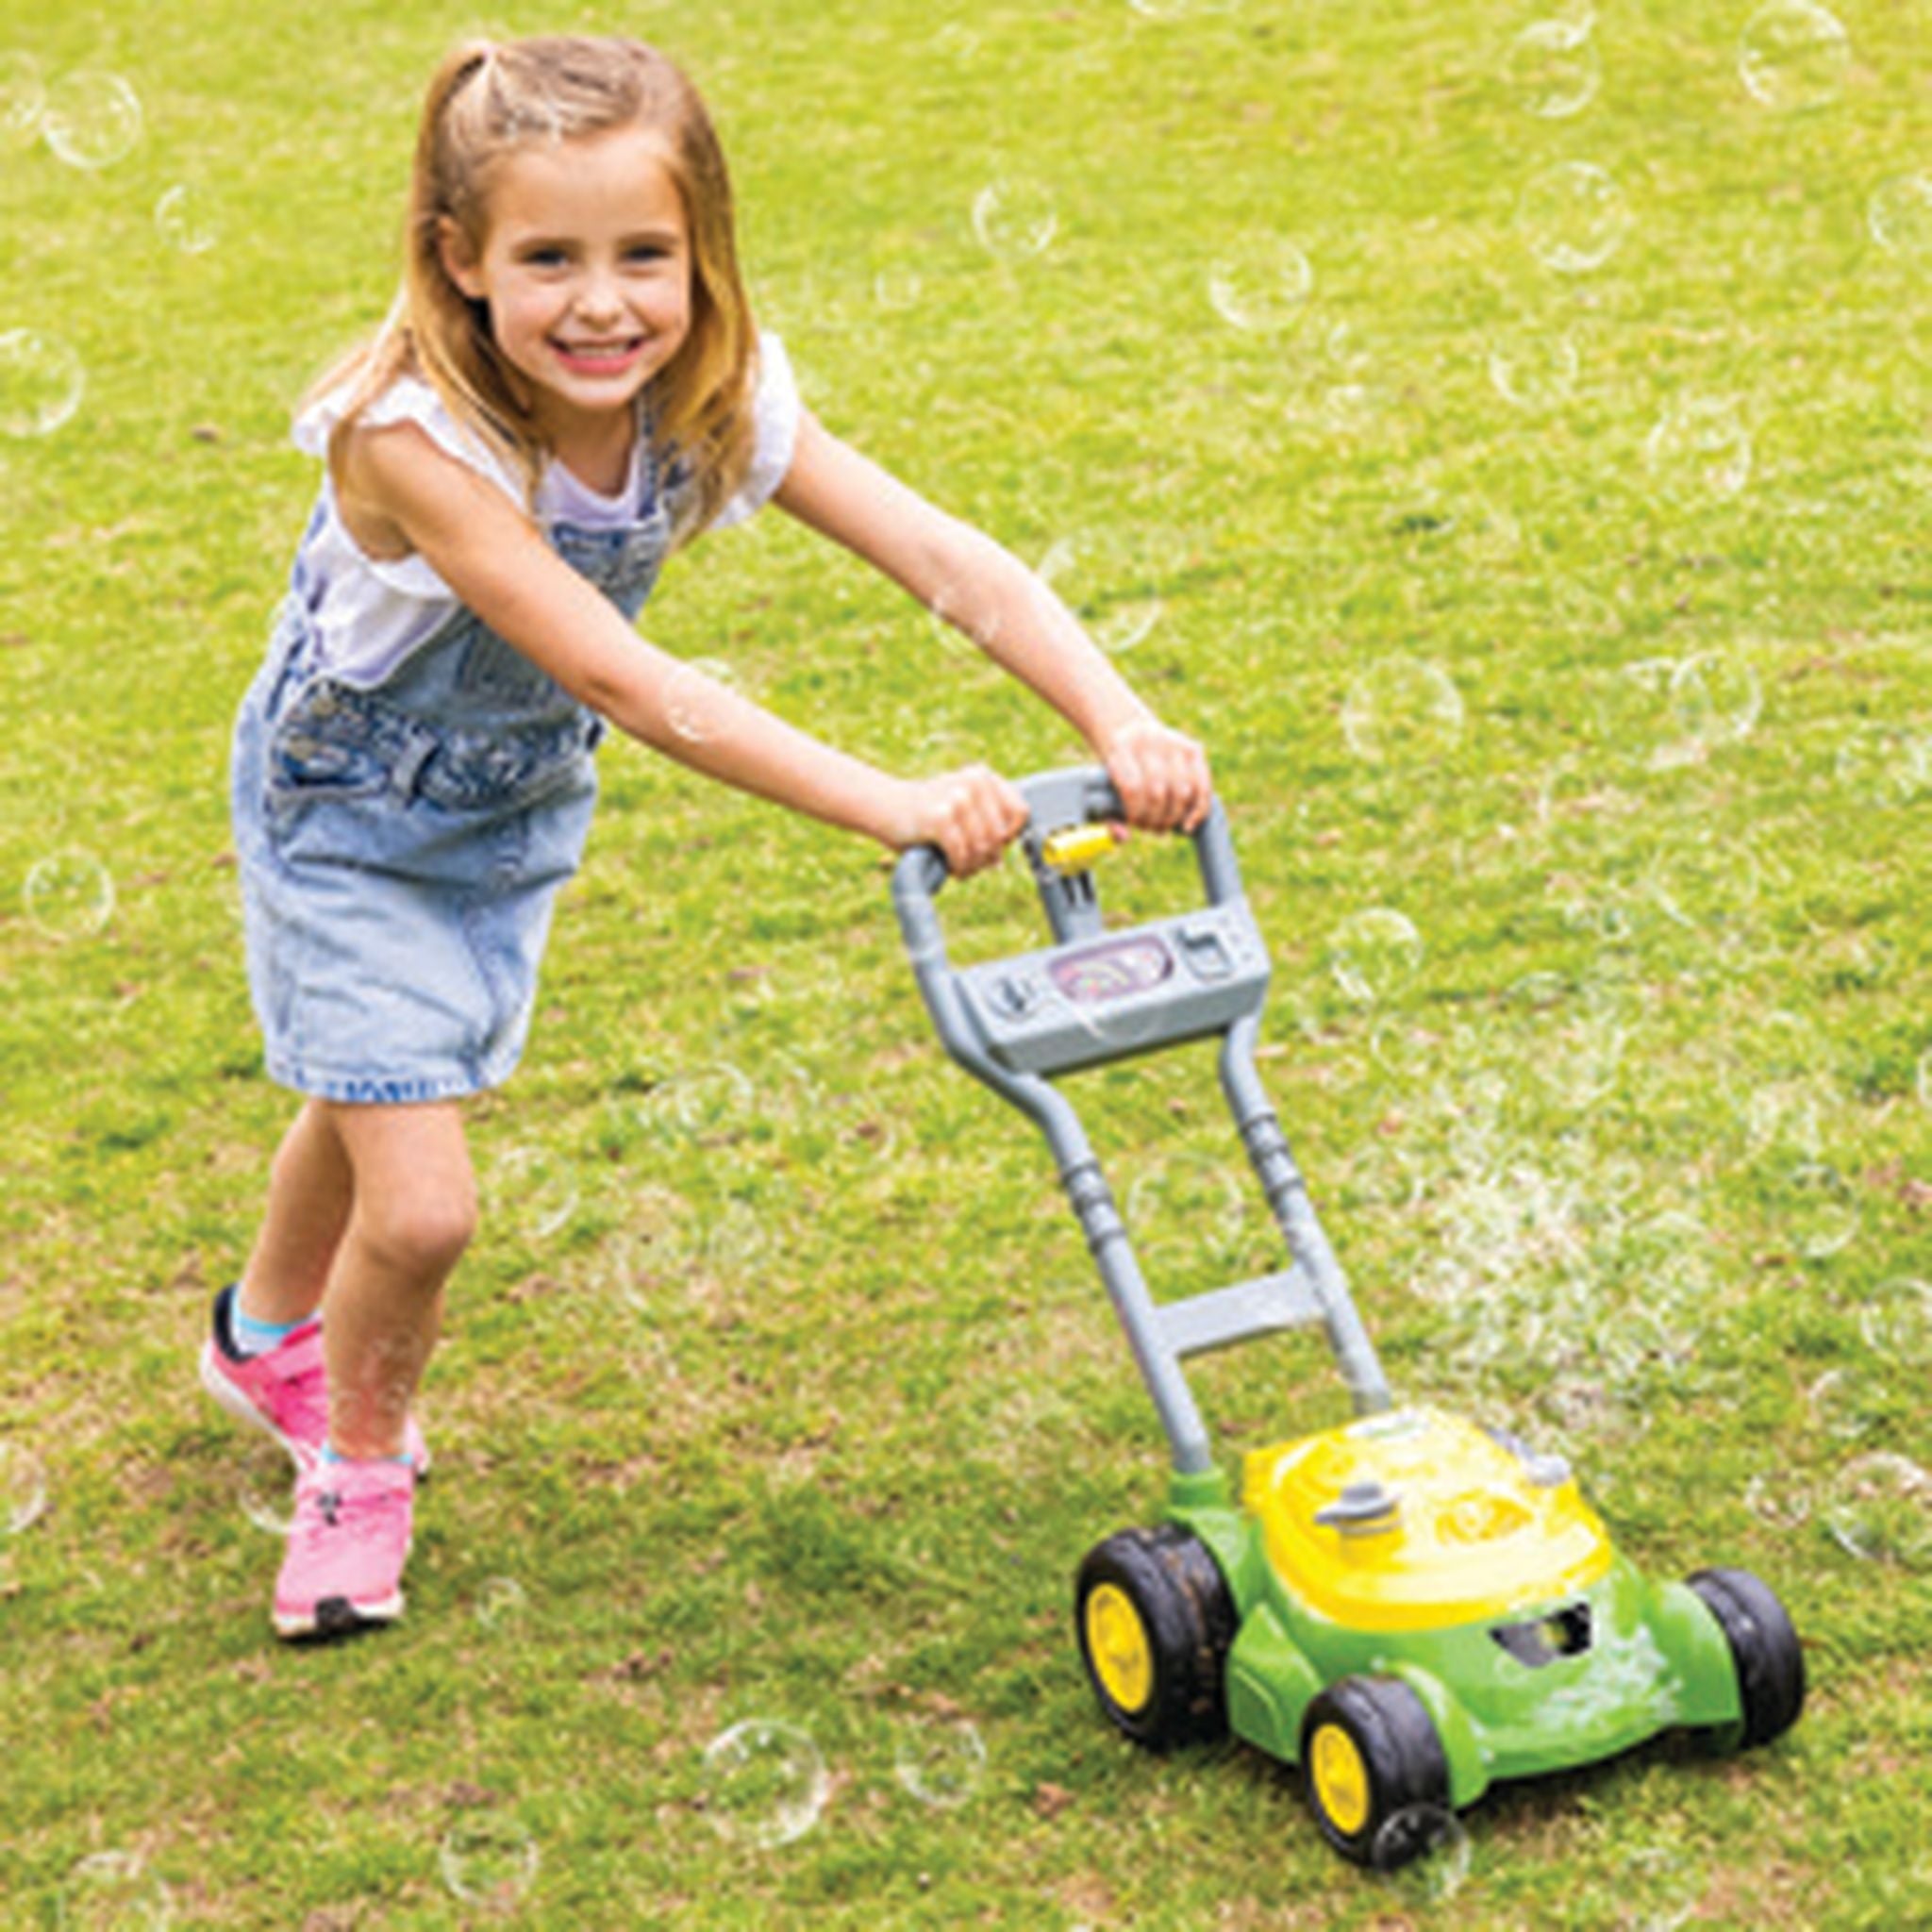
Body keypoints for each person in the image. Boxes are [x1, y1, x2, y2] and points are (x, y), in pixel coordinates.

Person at [203, 33, 1213, 1641]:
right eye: (548, 259)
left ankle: (262, 1334)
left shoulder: (702, 401)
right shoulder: (409, 436)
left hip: (510, 801)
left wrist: (1119, 719)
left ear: (704, 255)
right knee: (424, 1202)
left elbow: (949, 560)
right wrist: (883, 797)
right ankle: (357, 1469)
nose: (601, 305)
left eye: (644, 257)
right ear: (457, 261)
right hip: (351, 817)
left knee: (388, 1073)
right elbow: (623, 674)